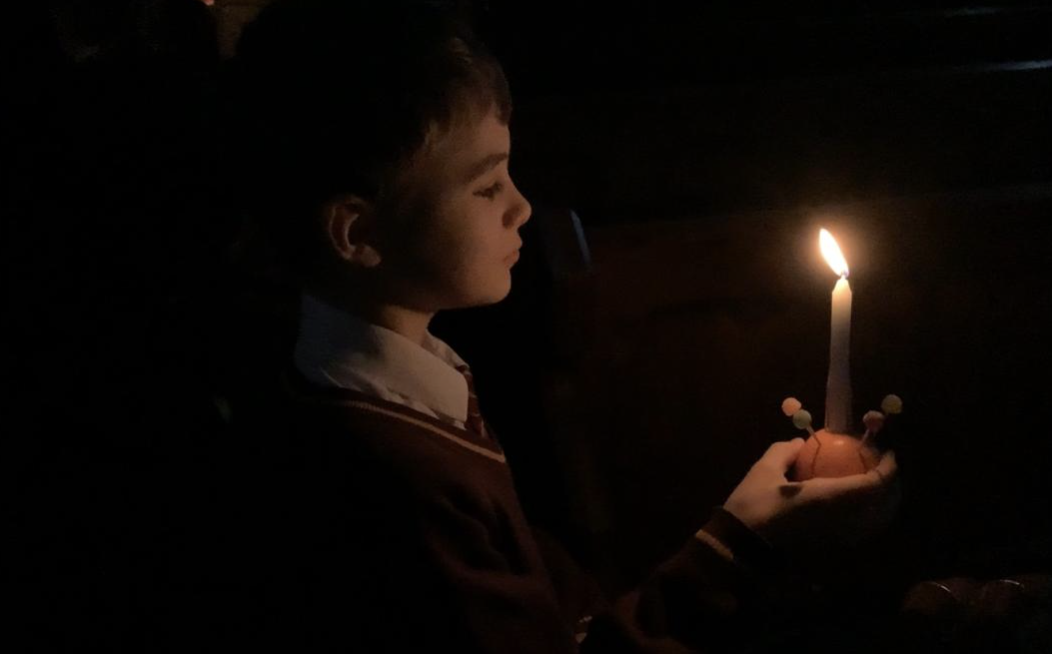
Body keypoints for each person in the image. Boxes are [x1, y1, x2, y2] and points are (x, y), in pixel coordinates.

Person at [214, 1, 900, 651]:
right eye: (485, 187)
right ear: (357, 231)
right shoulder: (384, 472)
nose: (520, 207)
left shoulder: (403, 375)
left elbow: (569, 621)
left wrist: (736, 532)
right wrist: (740, 543)